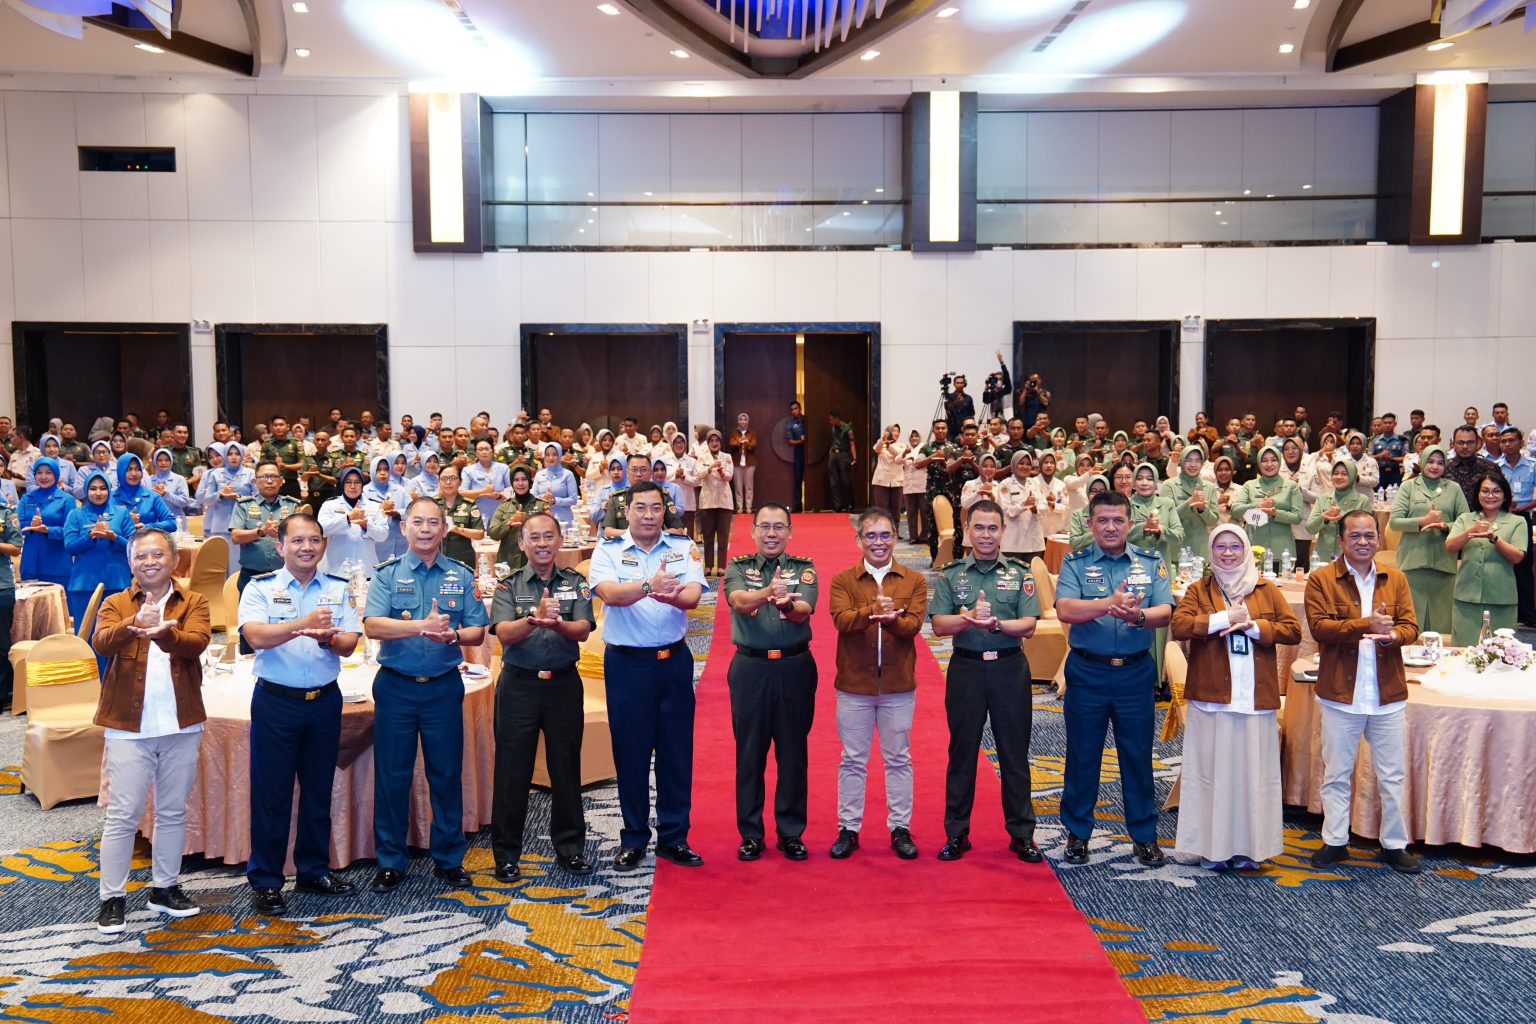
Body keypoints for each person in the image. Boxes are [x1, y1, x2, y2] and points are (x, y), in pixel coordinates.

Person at [362, 497, 489, 893]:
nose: (425, 529)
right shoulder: (387, 574)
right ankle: (390, 861)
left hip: (442, 687)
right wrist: (421, 627)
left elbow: (477, 631)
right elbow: (372, 625)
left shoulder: (460, 575)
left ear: (444, 528)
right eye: (417, 522)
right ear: (404, 528)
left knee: (446, 774)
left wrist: (452, 635)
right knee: (392, 776)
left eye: (433, 522)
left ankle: (449, 859)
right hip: (396, 687)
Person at [237, 514, 361, 916]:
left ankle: (313, 870)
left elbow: (348, 644)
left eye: (314, 540)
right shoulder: (260, 587)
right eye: (297, 541)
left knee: (318, 791)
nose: (307, 548)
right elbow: (256, 636)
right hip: (276, 702)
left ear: (323, 545)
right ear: (280, 547)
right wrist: (303, 623)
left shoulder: (338, 588)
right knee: (271, 795)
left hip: (324, 701)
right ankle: (266, 881)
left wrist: (328, 640)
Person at [91, 527, 212, 933]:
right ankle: (112, 897)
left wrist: (167, 633)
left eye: (158, 554)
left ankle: (165, 888)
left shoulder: (193, 601)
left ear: (174, 559)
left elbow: (197, 643)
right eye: (141, 556)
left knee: (173, 810)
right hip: (128, 726)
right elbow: (101, 643)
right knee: (123, 814)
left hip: (181, 722)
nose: (149, 562)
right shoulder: (115, 602)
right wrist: (133, 624)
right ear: (130, 562)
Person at [588, 482, 708, 871]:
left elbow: (693, 596)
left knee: (676, 753)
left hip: (673, 662)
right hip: (627, 665)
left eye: (655, 508)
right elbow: (610, 594)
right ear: (626, 511)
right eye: (640, 507)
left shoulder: (683, 547)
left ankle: (674, 837)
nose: (648, 515)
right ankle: (634, 837)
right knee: (631, 752)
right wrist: (648, 586)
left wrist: (670, 595)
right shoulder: (607, 550)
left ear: (664, 511)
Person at [1054, 490, 1174, 868]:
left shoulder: (1150, 562)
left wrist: (1138, 616)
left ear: (1130, 524)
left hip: (1135, 673)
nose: (1110, 527)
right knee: (1083, 755)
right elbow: (1065, 609)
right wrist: (1108, 604)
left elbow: (1166, 611)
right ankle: (1078, 833)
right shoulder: (1075, 562)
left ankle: (1144, 835)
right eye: (1102, 520)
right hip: (1087, 671)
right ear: (1090, 524)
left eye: (1118, 520)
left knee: (1137, 756)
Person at [1170, 524, 1301, 871]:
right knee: (1210, 774)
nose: (1228, 553)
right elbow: (1179, 626)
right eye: (1220, 547)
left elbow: (1293, 630)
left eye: (1235, 546)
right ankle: (1211, 847)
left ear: (1245, 550)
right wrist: (1222, 619)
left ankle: (1249, 849)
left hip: (1254, 696)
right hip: (1212, 697)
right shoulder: (1199, 589)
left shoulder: (1265, 589)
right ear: (1211, 552)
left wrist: (1254, 627)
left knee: (1252, 775)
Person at [1303, 509, 1421, 874]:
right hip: (1341, 693)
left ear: (1378, 539)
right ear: (1340, 540)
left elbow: (1411, 626)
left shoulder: (1395, 578)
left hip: (1387, 692)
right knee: (1336, 772)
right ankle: (1335, 841)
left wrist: (1393, 636)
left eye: (1369, 535)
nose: (1363, 541)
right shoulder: (1322, 579)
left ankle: (1394, 844)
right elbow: (1320, 628)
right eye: (1354, 535)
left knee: (1392, 775)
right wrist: (1364, 625)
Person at [929, 499, 1042, 863]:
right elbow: (939, 625)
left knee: (1014, 754)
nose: (986, 535)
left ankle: (1021, 835)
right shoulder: (951, 574)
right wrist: (968, 617)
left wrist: (996, 625)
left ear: (1003, 531)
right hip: (966, 670)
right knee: (962, 753)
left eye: (993, 528)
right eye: (979, 527)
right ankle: (956, 833)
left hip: (1009, 669)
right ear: (967, 531)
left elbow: (1029, 626)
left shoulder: (1020, 573)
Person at [488, 510, 596, 882]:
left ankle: (571, 848)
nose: (542, 543)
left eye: (549, 536)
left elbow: (583, 630)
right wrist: (534, 618)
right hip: (519, 686)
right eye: (534, 537)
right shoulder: (508, 585)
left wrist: (558, 623)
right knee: (511, 771)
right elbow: (504, 633)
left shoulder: (575, 582)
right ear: (522, 543)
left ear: (560, 541)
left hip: (563, 685)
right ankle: (506, 854)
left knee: (565, 768)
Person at [827, 507, 928, 860]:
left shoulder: (914, 580)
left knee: (898, 758)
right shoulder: (843, 580)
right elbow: (841, 621)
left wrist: (892, 621)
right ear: (858, 540)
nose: (878, 542)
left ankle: (900, 828)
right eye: (870, 535)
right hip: (854, 684)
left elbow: (913, 626)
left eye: (885, 535)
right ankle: (848, 828)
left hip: (898, 685)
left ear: (896, 538)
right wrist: (872, 611)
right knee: (853, 759)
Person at [723, 503, 818, 861]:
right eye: (765, 526)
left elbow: (804, 611)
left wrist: (786, 604)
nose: (772, 533)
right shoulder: (738, 566)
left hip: (795, 667)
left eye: (779, 527)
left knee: (793, 753)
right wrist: (768, 593)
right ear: (753, 531)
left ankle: (790, 832)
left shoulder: (803, 568)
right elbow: (738, 601)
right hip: (750, 669)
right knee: (749, 753)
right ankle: (750, 833)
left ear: (790, 532)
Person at [1388, 445, 1467, 634]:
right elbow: (1395, 522)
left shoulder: (1454, 489)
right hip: (1412, 562)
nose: (1435, 466)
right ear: (1422, 462)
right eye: (1430, 461)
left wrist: (1445, 526)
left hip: (1444, 564)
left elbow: (1465, 522)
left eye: (1440, 463)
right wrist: (1422, 521)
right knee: (1410, 621)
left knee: (1441, 622)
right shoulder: (1408, 486)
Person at [1446, 473, 1529, 645]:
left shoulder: (1517, 521)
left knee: (1500, 651)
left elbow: (1517, 557)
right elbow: (1450, 546)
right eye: (1485, 491)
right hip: (1466, 597)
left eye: (1496, 491)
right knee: (1463, 649)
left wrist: (1494, 538)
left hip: (1501, 597)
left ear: (1505, 495)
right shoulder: (1465, 519)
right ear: (1478, 494)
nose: (1490, 496)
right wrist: (1471, 530)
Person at [64, 469, 135, 632]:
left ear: (109, 490)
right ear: (86, 490)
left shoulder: (122, 513)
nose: (98, 493)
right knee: (86, 634)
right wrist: (90, 535)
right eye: (93, 488)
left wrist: (113, 537)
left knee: (118, 634)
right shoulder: (75, 514)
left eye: (103, 488)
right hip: (84, 585)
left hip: (117, 582)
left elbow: (134, 546)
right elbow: (70, 547)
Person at [1231, 444, 1303, 564]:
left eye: (1273, 460)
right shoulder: (1249, 485)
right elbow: (1235, 510)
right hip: (1254, 544)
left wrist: (1275, 513)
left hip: (1282, 546)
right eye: (1264, 461)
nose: (1269, 464)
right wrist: (1258, 506)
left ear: (1279, 462)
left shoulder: (1291, 486)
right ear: (1259, 463)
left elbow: (1297, 517)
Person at [1492, 426, 1536, 626]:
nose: (1507, 444)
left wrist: (1520, 508)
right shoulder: (1495, 466)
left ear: (1521, 442)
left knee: (1523, 565)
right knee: (1499, 562)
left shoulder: (1532, 466)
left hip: (1522, 516)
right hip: (1499, 516)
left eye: (1511, 440)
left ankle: (1526, 612)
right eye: (1503, 441)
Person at [317, 465, 388, 576]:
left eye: (357, 482)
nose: (353, 486)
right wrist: (348, 518)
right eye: (348, 482)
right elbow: (321, 530)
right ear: (342, 484)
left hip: (365, 570)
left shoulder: (375, 506)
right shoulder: (330, 505)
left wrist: (366, 526)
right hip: (335, 571)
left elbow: (383, 535)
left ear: (362, 484)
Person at [18, 457, 75, 587]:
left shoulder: (67, 500)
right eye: (39, 472)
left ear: (56, 474)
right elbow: (16, 526)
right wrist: (30, 525)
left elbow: (69, 532)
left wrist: (48, 530)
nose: (43, 477)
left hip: (57, 565)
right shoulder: (26, 498)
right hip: (30, 564)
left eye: (48, 472)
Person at [1305, 459, 1372, 566]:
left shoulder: (1362, 500)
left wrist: (1344, 520)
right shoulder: (1323, 498)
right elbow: (1310, 528)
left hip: (1351, 557)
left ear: (1352, 476)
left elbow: (1366, 531)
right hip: (1323, 558)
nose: (1339, 477)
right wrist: (1324, 518)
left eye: (1344, 474)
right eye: (1335, 473)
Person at [1161, 446, 1220, 555]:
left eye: (1197, 461)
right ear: (1181, 461)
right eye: (1188, 460)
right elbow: (1166, 518)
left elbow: (1213, 521)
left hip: (1201, 551)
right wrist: (1189, 502)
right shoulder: (1169, 485)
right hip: (1175, 550)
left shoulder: (1210, 487)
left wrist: (1203, 508)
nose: (1193, 465)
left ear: (1202, 463)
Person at [490, 465, 552, 570]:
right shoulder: (504, 506)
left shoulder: (542, 505)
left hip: (536, 564)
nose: (520, 483)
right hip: (508, 565)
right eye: (516, 480)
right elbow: (493, 533)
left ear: (529, 481)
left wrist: (528, 521)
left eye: (524, 479)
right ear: (512, 483)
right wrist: (510, 521)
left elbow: (551, 532)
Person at [695, 432, 735, 576]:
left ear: (720, 442)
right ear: (708, 443)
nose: (714, 443)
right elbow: (699, 475)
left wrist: (722, 473)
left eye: (717, 440)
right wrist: (711, 467)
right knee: (708, 535)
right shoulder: (702, 457)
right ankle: (708, 565)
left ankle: (721, 566)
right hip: (707, 501)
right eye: (711, 440)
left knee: (723, 536)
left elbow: (730, 476)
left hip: (724, 501)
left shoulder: (727, 457)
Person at [434, 465, 486, 569]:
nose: (448, 482)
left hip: (463, 561)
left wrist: (456, 529)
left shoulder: (469, 504)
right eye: (444, 479)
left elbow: (479, 534)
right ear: (438, 482)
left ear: (460, 482)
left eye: (453, 478)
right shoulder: (432, 504)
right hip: (435, 560)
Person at [462, 439, 512, 529]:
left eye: (486, 449)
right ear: (476, 453)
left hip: (500, 513)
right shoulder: (468, 470)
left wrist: (499, 496)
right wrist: (484, 491)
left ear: (492, 451)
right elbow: (462, 493)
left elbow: (511, 491)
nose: (484, 452)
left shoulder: (503, 468)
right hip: (476, 515)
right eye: (480, 449)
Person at [0, 495, 20, 709]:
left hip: (2, 584)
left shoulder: (6, 510)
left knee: (1, 643)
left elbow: (16, 547)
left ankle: (2, 694)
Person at [532, 442, 580, 529]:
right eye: (547, 455)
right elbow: (533, 498)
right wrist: (543, 498)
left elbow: (573, 499)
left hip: (563, 520)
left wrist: (554, 500)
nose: (551, 458)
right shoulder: (539, 475)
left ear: (560, 455)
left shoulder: (568, 474)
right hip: (543, 518)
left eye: (554, 454)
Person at [147, 448, 197, 531]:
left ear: (171, 461)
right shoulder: (148, 480)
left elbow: (184, 502)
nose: (163, 463)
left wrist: (166, 494)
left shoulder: (179, 479)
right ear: (155, 462)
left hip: (176, 522)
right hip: (155, 523)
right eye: (160, 460)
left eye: (166, 460)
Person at [870, 424, 907, 532]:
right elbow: (876, 449)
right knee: (881, 509)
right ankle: (882, 531)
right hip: (881, 480)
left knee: (896, 508)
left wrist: (889, 446)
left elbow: (899, 456)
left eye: (898, 431)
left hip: (897, 480)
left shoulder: (902, 446)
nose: (896, 433)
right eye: (893, 431)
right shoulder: (881, 443)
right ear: (888, 432)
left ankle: (895, 531)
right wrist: (883, 439)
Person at [1067, 475, 1110, 550]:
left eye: (1102, 491)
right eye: (1094, 491)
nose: (1098, 495)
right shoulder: (1078, 514)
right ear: (1087, 493)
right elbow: (1074, 543)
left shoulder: (1114, 514)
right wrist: (1098, 531)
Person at [826, 409, 856, 513]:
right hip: (834, 453)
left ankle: (850, 504)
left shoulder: (847, 428)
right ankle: (837, 505)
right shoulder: (833, 428)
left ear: (837, 419)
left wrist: (854, 458)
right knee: (833, 481)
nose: (830, 421)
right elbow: (834, 441)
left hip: (844, 454)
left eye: (831, 419)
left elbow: (852, 443)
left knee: (846, 480)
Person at [728, 413, 758, 514]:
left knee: (749, 487)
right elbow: (731, 443)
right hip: (737, 463)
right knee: (738, 487)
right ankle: (739, 507)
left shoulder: (751, 432)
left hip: (750, 463)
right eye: (741, 419)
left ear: (748, 421)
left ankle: (749, 507)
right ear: (738, 421)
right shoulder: (734, 432)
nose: (743, 421)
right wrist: (738, 442)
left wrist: (747, 442)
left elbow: (754, 443)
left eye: (745, 419)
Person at [901, 429, 928, 544]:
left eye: (916, 436)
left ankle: (925, 536)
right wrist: (905, 454)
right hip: (909, 486)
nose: (914, 438)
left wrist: (914, 459)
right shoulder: (906, 449)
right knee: (911, 513)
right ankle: (913, 536)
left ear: (920, 438)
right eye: (912, 437)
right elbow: (898, 461)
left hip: (921, 485)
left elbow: (922, 462)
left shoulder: (924, 448)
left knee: (924, 512)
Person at [786, 401, 807, 513]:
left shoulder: (807, 420)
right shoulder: (790, 423)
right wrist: (801, 441)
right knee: (798, 479)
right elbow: (790, 441)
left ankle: (811, 504)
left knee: (810, 478)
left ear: (800, 409)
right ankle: (798, 505)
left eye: (796, 408)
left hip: (810, 451)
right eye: (792, 409)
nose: (794, 411)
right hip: (799, 451)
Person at [943, 374, 974, 439]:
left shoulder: (968, 398)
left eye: (961, 383)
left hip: (965, 428)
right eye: (957, 383)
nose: (959, 385)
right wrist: (956, 402)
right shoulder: (949, 396)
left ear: (964, 384)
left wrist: (972, 426)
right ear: (954, 384)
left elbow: (971, 414)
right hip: (951, 428)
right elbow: (947, 408)